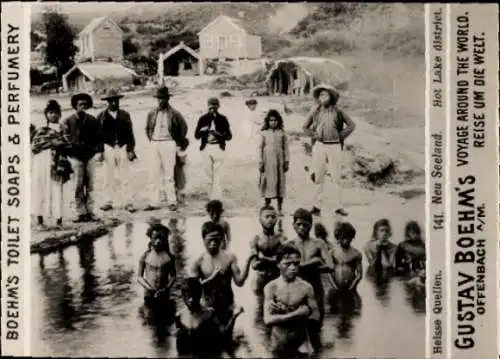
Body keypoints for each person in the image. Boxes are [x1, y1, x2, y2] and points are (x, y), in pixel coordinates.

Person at [190, 221, 255, 333]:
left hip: (226, 304)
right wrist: (212, 279)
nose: (214, 243)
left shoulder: (229, 258)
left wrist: (248, 261)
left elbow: (239, 282)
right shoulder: (198, 261)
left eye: (217, 239)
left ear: (222, 239)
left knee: (226, 338)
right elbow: (192, 289)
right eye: (210, 239)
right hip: (207, 305)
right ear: (203, 239)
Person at [302, 84, 356, 217]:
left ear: (331, 97)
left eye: (326, 95)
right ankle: (316, 206)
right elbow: (305, 127)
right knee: (319, 175)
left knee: (336, 176)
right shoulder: (315, 111)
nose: (323, 97)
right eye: (321, 95)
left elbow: (351, 125)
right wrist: (314, 135)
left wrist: (340, 136)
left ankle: (338, 206)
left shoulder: (338, 111)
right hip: (319, 146)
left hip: (334, 146)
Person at [285, 208, 333, 351]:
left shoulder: (319, 243)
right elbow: (284, 269)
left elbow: (330, 266)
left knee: (316, 328)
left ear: (310, 226)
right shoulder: (289, 245)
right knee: (296, 331)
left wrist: (307, 267)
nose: (302, 228)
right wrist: (313, 262)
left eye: (305, 225)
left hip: (316, 290)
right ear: (293, 225)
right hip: (296, 291)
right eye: (298, 224)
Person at [263, 243, 320, 358]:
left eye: (296, 264)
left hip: (300, 345)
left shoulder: (306, 287)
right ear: (278, 264)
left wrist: (284, 313)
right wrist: (297, 313)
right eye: (287, 264)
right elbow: (268, 320)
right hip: (278, 345)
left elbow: (316, 317)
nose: (293, 268)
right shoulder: (271, 287)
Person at [61, 93, 104, 223]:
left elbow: (100, 139)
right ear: (75, 106)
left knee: (90, 186)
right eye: (80, 104)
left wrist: (98, 151)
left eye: (85, 104)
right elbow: (64, 140)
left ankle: (90, 212)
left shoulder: (93, 120)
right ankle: (80, 213)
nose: (83, 107)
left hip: (90, 157)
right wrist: (69, 152)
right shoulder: (67, 121)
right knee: (77, 186)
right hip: (75, 158)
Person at [145, 86, 189, 211]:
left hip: (168, 143)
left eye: (163, 98)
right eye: (159, 98)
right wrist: (152, 139)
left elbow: (183, 127)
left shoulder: (174, 113)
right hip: (155, 143)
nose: (161, 101)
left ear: (168, 99)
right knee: (153, 173)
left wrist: (176, 141)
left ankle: (172, 201)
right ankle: (154, 202)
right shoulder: (152, 113)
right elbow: (148, 128)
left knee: (169, 174)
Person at [32, 100, 72, 227]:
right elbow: (35, 146)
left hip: (57, 162)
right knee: (41, 188)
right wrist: (52, 143)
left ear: (60, 114)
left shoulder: (63, 128)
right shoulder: (41, 130)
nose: (53, 115)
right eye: (50, 112)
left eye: (56, 113)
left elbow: (68, 144)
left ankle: (58, 220)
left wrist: (60, 144)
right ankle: (40, 219)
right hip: (42, 161)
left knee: (56, 188)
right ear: (46, 115)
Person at [97, 88, 137, 213]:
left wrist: (131, 149)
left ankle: (128, 202)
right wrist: (100, 151)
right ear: (107, 102)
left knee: (125, 176)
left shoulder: (125, 115)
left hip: (122, 147)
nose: (113, 103)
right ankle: (108, 201)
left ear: (119, 101)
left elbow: (130, 133)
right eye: (111, 101)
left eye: (115, 100)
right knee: (107, 176)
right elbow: (98, 136)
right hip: (108, 147)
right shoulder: (101, 117)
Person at [194, 97, 232, 200]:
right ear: (207, 106)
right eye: (211, 106)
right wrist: (202, 130)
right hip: (206, 148)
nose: (213, 108)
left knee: (218, 176)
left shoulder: (223, 119)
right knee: (208, 176)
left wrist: (219, 134)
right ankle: (210, 199)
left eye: (215, 106)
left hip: (218, 148)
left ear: (218, 106)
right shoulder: (203, 119)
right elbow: (196, 136)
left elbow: (229, 136)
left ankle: (217, 199)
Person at [138, 222, 177, 314]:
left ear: (165, 239)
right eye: (155, 238)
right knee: (150, 317)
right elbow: (139, 277)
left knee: (164, 318)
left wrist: (166, 288)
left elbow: (173, 276)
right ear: (151, 239)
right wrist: (148, 288)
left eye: (161, 238)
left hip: (164, 294)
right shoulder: (145, 256)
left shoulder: (169, 257)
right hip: (149, 295)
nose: (158, 241)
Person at [250, 205, 287, 295]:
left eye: (273, 217)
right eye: (267, 217)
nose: (270, 219)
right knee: (258, 307)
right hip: (261, 278)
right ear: (260, 220)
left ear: (276, 220)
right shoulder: (256, 239)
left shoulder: (281, 238)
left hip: (277, 277)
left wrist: (264, 259)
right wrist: (273, 260)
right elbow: (254, 265)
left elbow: (284, 261)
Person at [259, 109, 289, 216]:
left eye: (275, 120)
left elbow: (286, 148)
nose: (273, 123)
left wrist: (286, 161)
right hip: (267, 162)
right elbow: (260, 148)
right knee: (268, 181)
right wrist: (260, 161)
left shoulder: (282, 133)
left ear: (279, 121)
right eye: (271, 120)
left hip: (279, 162)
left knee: (280, 182)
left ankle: (280, 207)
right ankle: (267, 205)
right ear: (268, 121)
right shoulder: (264, 133)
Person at [329, 221, 363, 292]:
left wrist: (352, 287)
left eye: (348, 238)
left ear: (352, 237)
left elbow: (359, 274)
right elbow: (329, 273)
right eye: (343, 238)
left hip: (351, 289)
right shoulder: (332, 252)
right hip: (335, 288)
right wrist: (335, 287)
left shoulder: (356, 254)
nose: (346, 240)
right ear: (338, 238)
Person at [174, 137, 190, 204]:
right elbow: (183, 162)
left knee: (178, 183)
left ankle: (178, 198)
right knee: (180, 183)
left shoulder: (179, 150)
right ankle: (179, 198)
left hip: (178, 168)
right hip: (179, 169)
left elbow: (182, 162)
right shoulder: (183, 151)